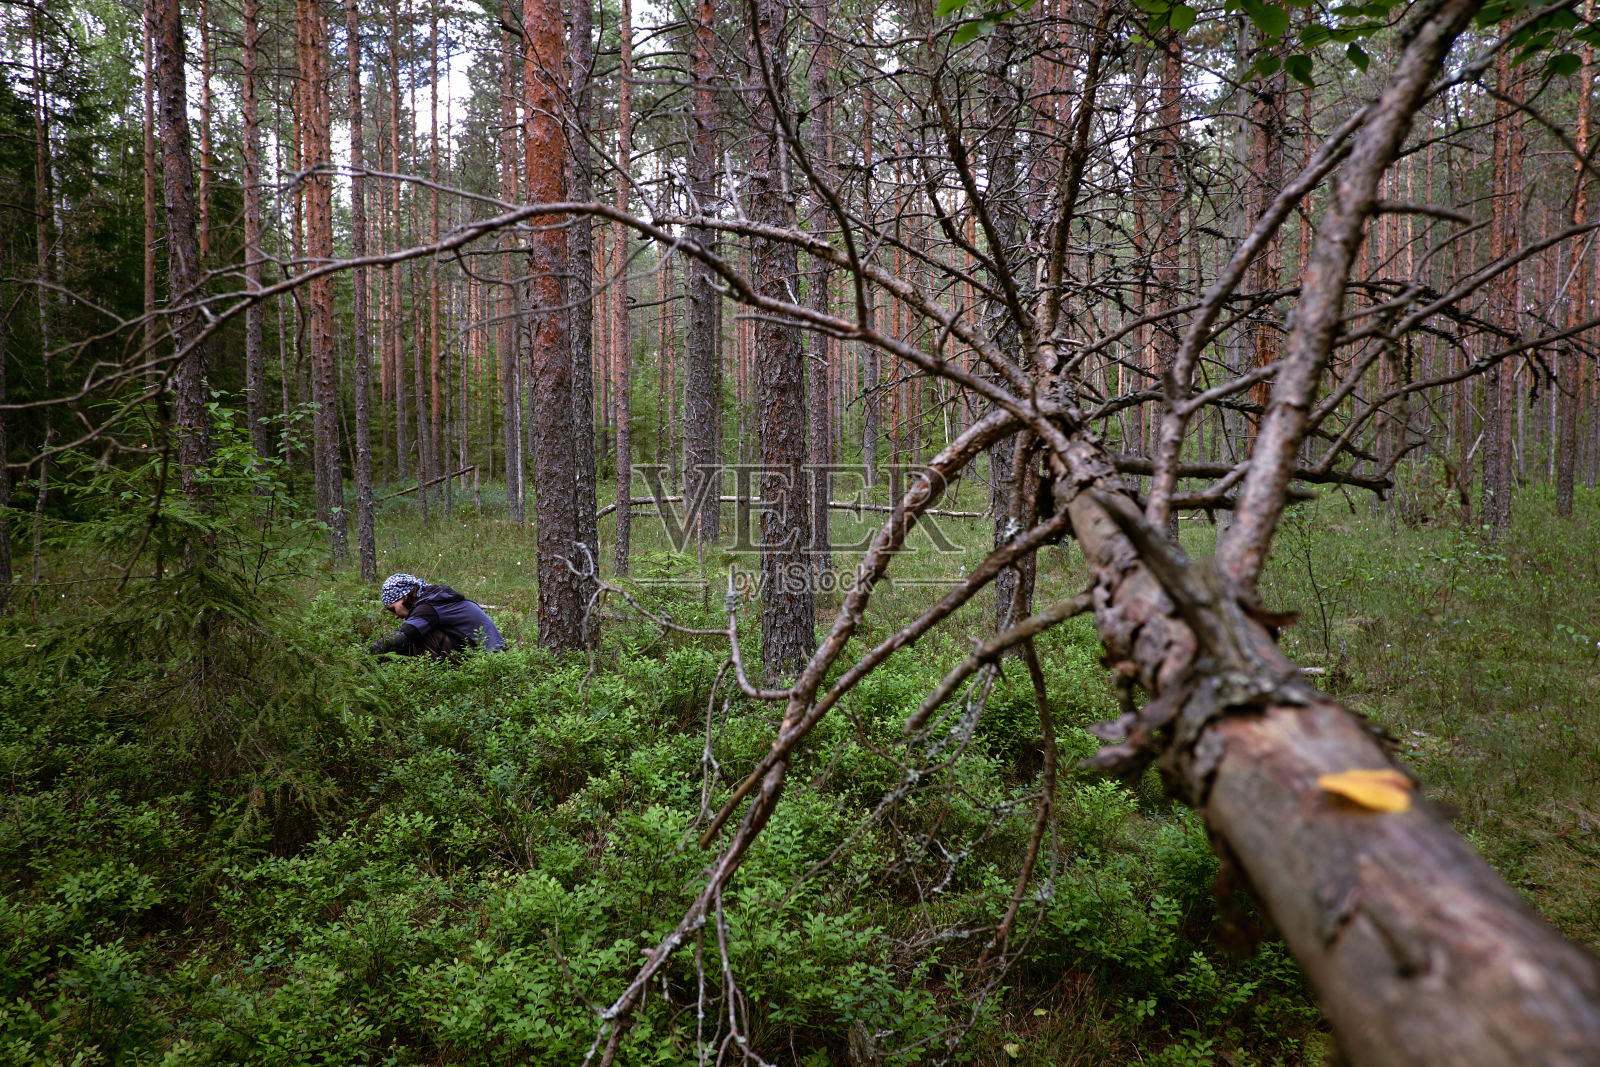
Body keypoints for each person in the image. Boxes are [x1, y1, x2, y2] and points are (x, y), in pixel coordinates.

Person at [369, 573, 506, 659]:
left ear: (404, 596)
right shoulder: (432, 599)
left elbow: (403, 636)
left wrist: (369, 653)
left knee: (416, 635)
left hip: (486, 656)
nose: (395, 616)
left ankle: (431, 680)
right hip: (489, 653)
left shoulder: (429, 607)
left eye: (393, 609)